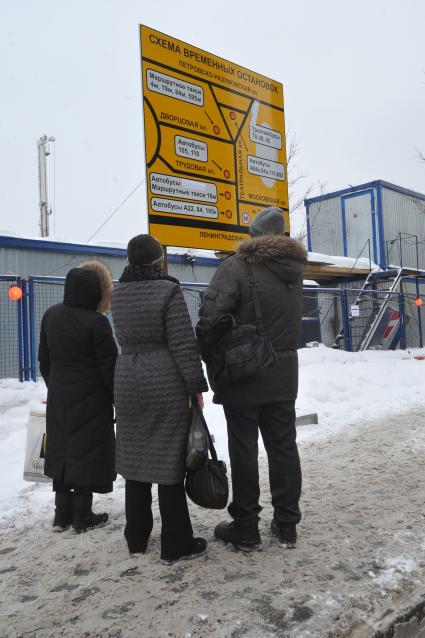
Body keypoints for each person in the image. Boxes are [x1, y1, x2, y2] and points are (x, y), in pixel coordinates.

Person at [196, 207, 307, 552]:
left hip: (244, 375)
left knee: (243, 450)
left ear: (253, 234)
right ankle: (286, 523)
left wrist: (208, 350)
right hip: (285, 374)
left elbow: (210, 318)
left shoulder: (237, 267)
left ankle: (246, 525)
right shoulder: (294, 270)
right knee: (283, 447)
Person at [111, 234, 209, 565]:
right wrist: (195, 385)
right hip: (164, 381)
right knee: (169, 464)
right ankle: (175, 543)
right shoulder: (168, 290)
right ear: (158, 262)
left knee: (136, 461)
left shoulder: (118, 292)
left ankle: (136, 538)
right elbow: (182, 343)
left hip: (127, 378)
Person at [38, 261, 118, 533]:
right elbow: (110, 369)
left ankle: (62, 515)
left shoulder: (51, 315)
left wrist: (56, 386)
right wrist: (116, 399)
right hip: (92, 400)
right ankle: (82, 516)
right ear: (97, 292)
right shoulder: (97, 323)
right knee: (87, 452)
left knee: (61, 450)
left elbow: (44, 361)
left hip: (59, 397)